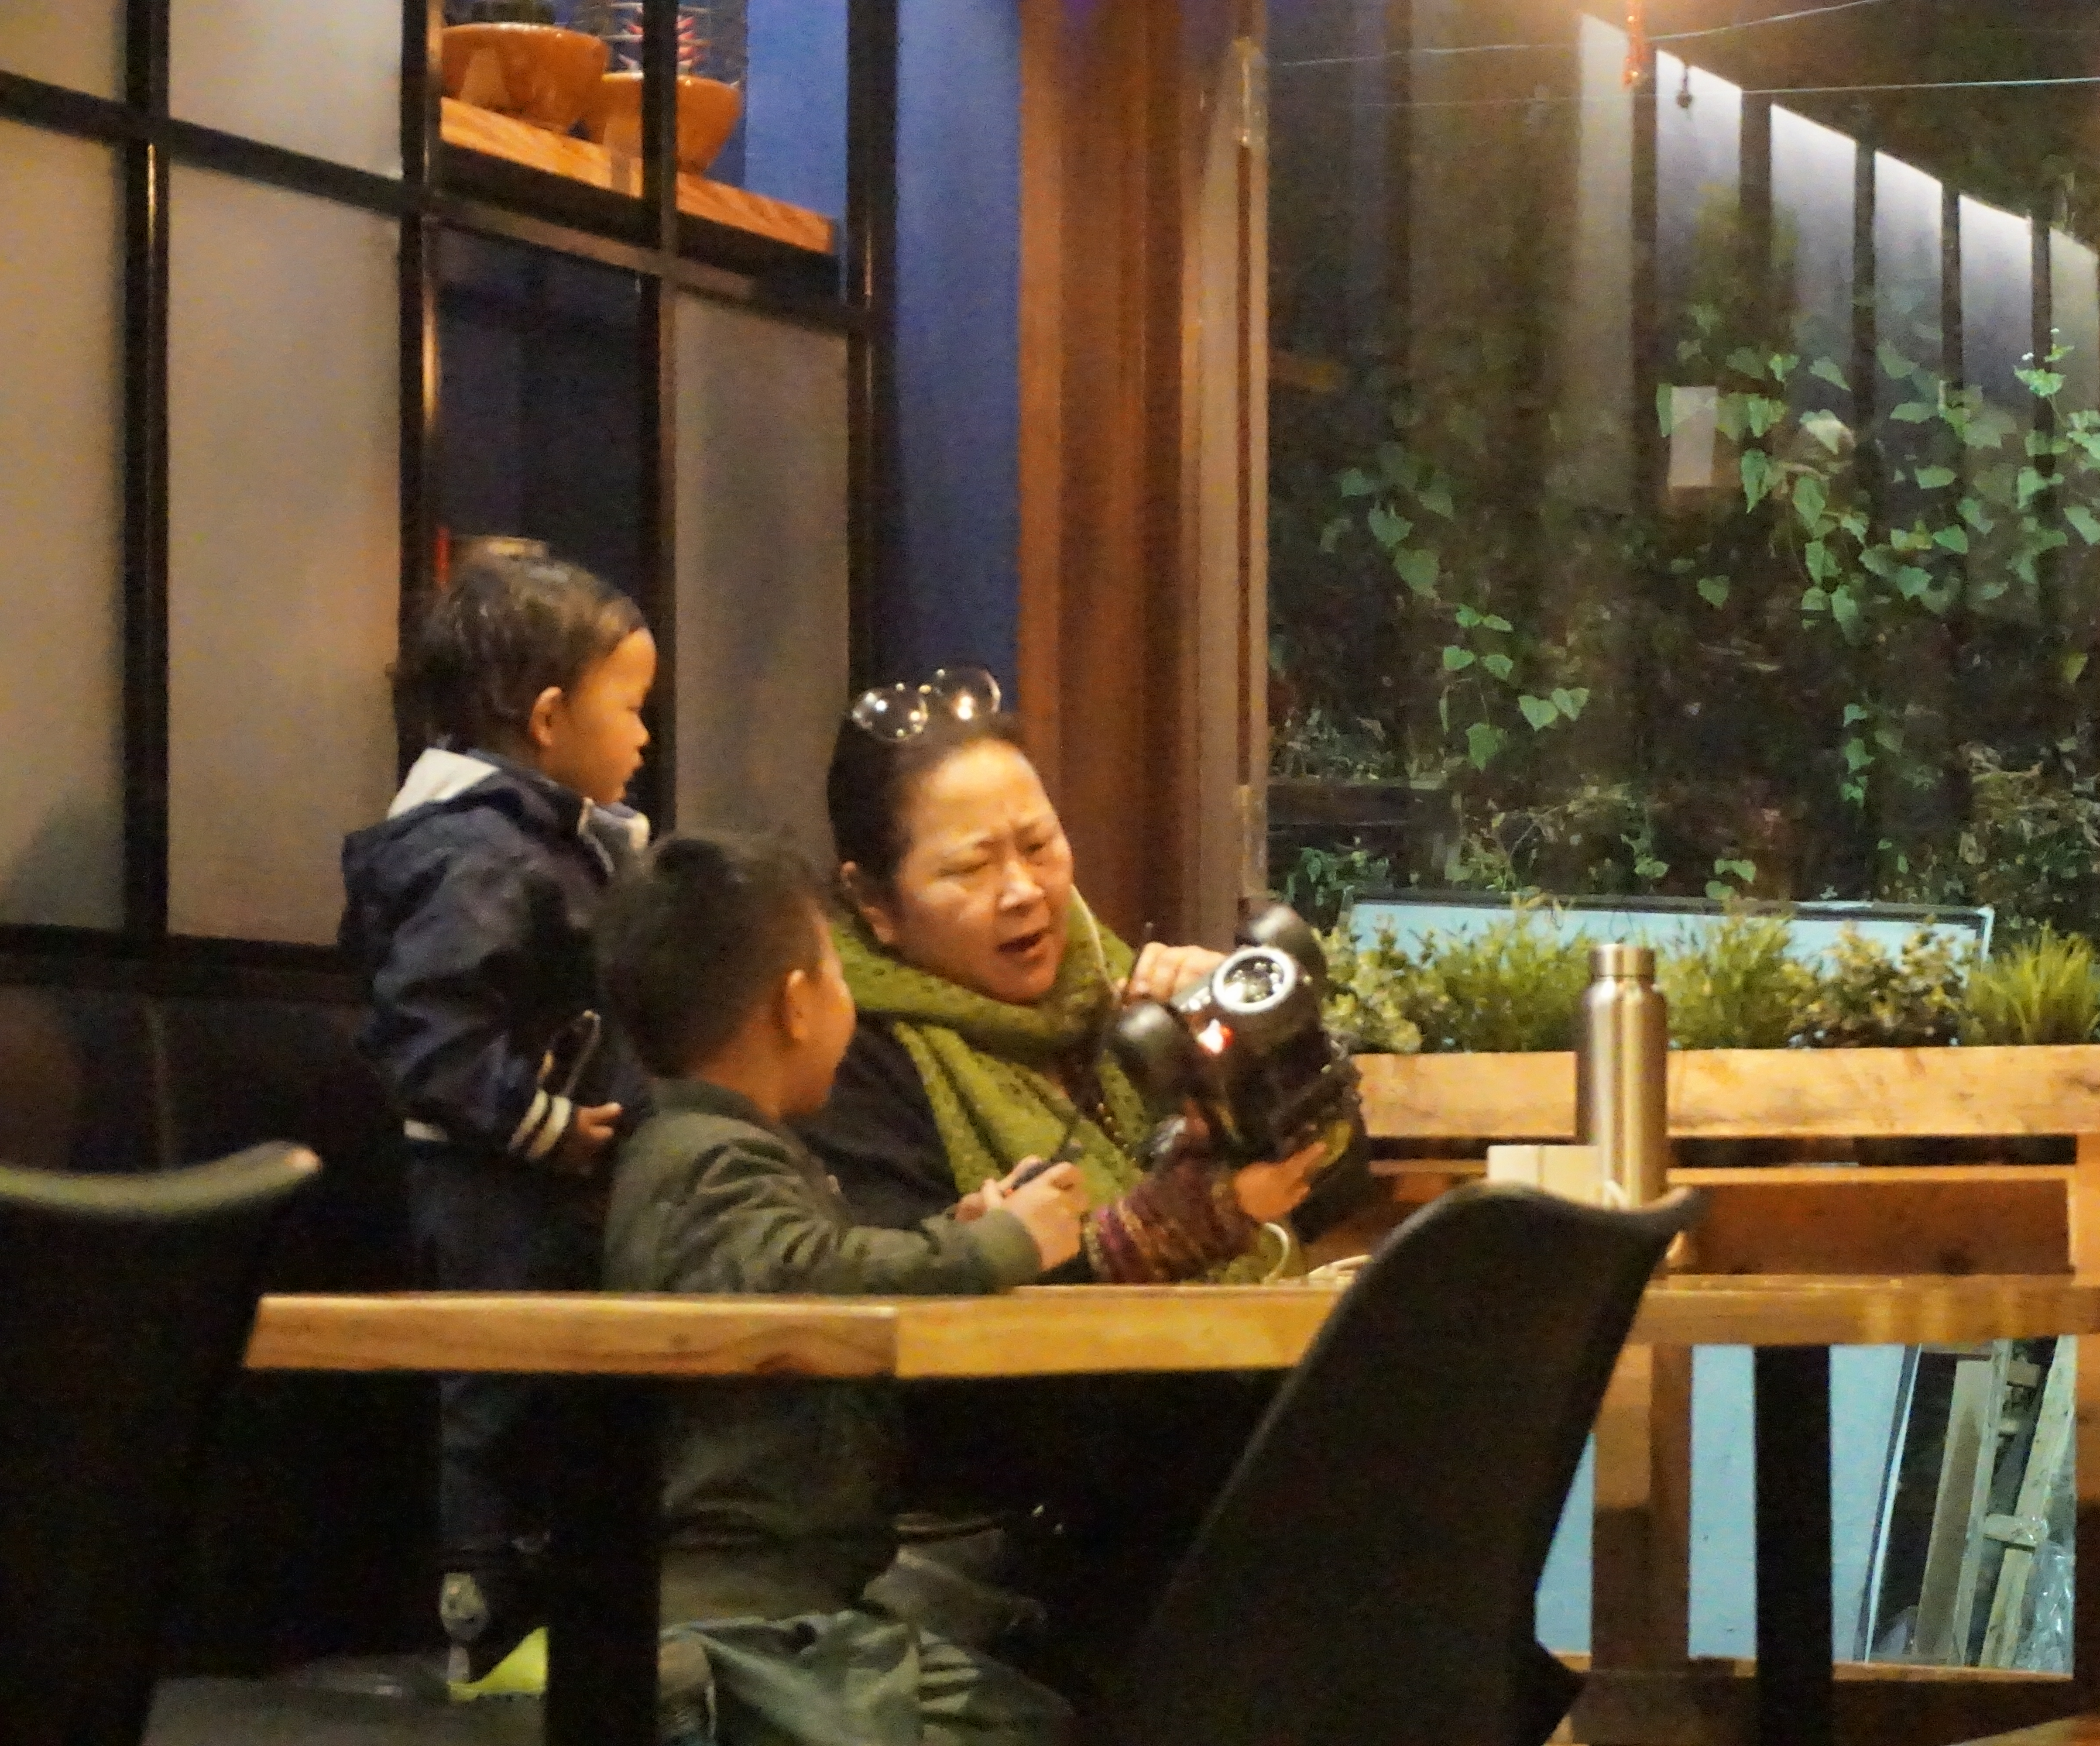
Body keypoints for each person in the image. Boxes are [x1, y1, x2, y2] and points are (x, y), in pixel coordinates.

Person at [790, 672, 1373, 1727]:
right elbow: (924, 1332)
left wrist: (1260, 1055)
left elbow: (1331, 1184)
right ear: (874, 902)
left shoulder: (1123, 993)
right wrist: (1154, 1233)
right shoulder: (848, 1056)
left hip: (1184, 1479)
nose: (1024, 889)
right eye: (971, 866)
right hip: (1018, 1531)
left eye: (1039, 844)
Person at [598, 831, 1084, 1746]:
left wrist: (956, 1229)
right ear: (795, 1005)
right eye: (837, 975)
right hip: (741, 1625)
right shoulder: (708, 1159)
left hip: (789, 1599)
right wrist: (989, 1247)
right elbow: (807, 1279)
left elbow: (805, 1258)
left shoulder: (707, 1148)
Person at [338, 543, 659, 1696]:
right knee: (498, 1396)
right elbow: (431, 1037)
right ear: (549, 717)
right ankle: (483, 1628)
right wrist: (541, 1124)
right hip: (489, 1186)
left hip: (548, 1181)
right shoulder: (476, 850)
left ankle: (561, 1627)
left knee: (561, 1399)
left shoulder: (547, 838)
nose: (645, 736)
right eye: (631, 707)